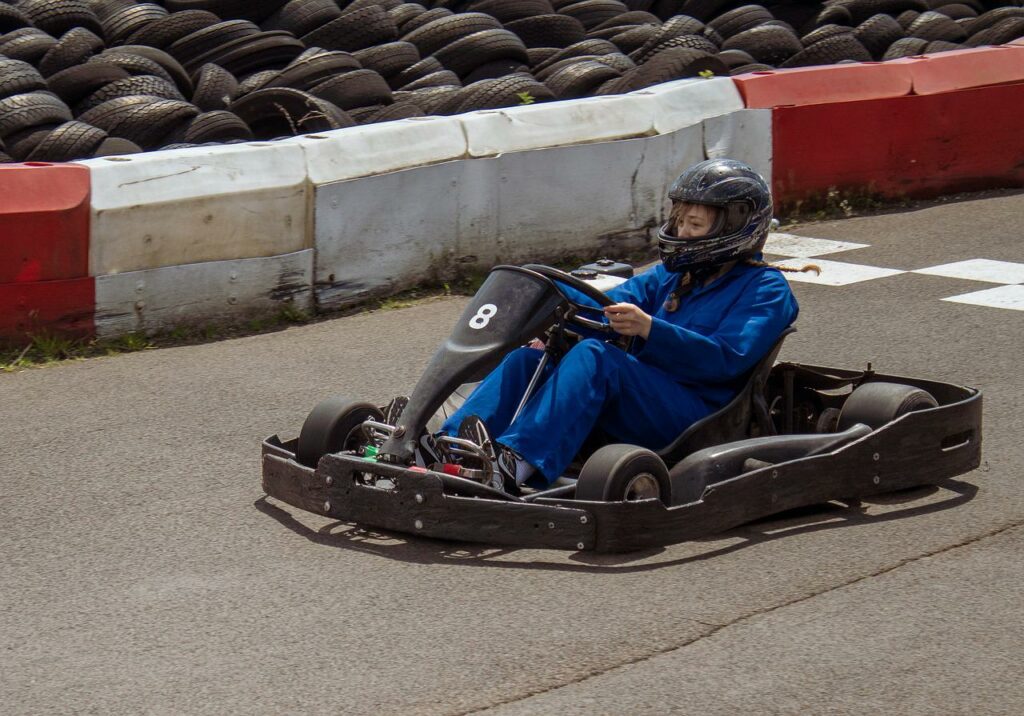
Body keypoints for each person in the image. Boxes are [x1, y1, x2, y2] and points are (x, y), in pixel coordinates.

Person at [440, 158, 805, 492]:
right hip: (644, 397)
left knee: (596, 358)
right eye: (679, 221)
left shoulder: (765, 289)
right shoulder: (672, 276)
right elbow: (609, 306)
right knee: (527, 360)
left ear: (736, 228)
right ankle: (452, 448)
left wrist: (650, 330)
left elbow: (725, 359)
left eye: (694, 224)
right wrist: (547, 295)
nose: (681, 231)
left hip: (696, 414)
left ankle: (515, 463)